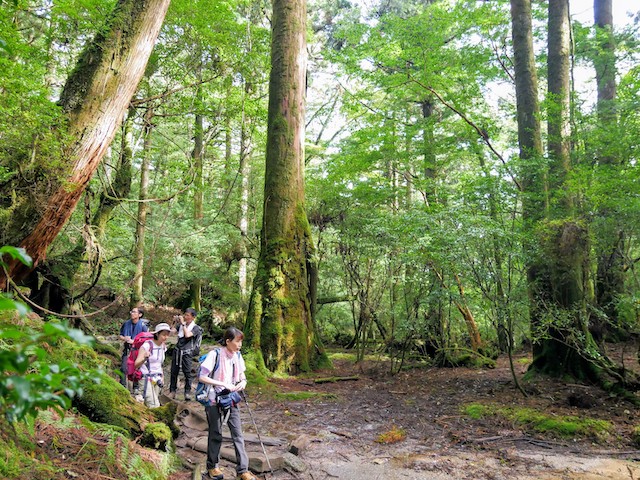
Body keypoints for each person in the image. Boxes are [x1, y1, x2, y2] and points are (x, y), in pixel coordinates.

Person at [198, 327, 256, 480]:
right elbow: (202, 376)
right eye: (237, 341)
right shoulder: (214, 354)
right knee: (215, 433)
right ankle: (212, 466)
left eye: (241, 341)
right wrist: (222, 383)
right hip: (213, 399)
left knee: (238, 434)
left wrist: (243, 382)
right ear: (228, 341)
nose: (240, 345)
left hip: (231, 398)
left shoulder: (237, 356)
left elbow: (242, 375)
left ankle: (243, 470)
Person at [169, 307, 203, 401]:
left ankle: (187, 392)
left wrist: (183, 324)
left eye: (187, 315)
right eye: (185, 315)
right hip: (177, 351)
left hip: (187, 353)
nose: (185, 316)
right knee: (174, 372)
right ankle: (172, 391)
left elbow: (188, 335)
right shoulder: (180, 325)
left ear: (193, 317)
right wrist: (174, 323)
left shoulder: (196, 328)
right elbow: (171, 333)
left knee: (187, 373)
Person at [135, 322, 171, 408]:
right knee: (154, 405)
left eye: (167, 335)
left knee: (150, 404)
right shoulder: (147, 345)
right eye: (163, 335)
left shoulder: (163, 346)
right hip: (146, 378)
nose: (166, 337)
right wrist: (144, 358)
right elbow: (136, 364)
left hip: (157, 378)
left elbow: (160, 364)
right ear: (157, 334)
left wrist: (162, 376)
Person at [118, 306, 148, 394]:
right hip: (127, 349)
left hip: (137, 350)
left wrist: (134, 341)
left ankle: (136, 387)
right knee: (123, 368)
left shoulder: (143, 326)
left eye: (134, 312)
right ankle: (122, 386)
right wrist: (124, 338)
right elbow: (120, 335)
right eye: (132, 311)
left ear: (140, 315)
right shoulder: (126, 323)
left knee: (136, 368)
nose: (132, 313)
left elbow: (146, 339)